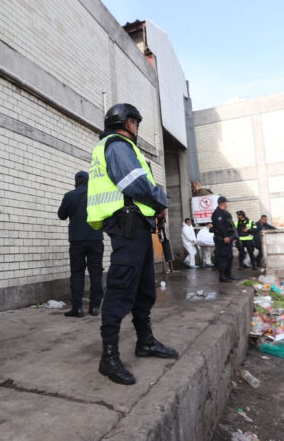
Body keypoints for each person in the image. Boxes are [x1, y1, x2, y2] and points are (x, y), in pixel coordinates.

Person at [87, 103, 178, 386]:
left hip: (137, 225)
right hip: (127, 225)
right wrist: (160, 200)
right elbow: (134, 183)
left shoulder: (121, 147)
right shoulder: (117, 145)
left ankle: (145, 342)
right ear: (128, 122)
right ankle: (109, 357)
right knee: (121, 288)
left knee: (144, 287)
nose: (136, 128)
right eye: (136, 123)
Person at [57, 171, 104, 317]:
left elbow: (61, 215)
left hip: (76, 241)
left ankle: (77, 308)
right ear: (89, 182)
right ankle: (94, 307)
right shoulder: (97, 195)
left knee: (77, 273)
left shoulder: (69, 196)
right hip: (95, 239)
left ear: (75, 182)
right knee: (96, 273)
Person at [211, 196, 237, 282]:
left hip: (228, 238)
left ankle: (228, 274)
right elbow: (220, 226)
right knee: (223, 257)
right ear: (223, 203)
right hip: (222, 239)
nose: (227, 204)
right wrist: (225, 236)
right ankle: (222, 276)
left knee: (229, 257)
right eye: (226, 202)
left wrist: (234, 237)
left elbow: (230, 225)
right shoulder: (218, 213)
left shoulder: (225, 212)